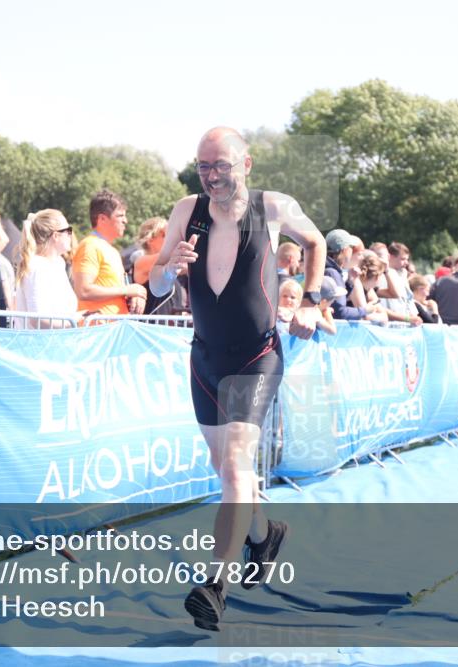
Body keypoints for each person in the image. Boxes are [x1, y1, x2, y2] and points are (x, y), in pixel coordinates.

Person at [148, 127, 325, 631]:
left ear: (244, 164)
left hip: (257, 354)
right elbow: (156, 278)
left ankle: (215, 585)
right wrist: (171, 267)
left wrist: (311, 302)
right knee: (225, 468)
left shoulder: (272, 208)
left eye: (221, 165)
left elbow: (314, 242)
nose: (212, 176)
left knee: (234, 465)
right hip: (204, 357)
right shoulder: (188, 211)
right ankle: (264, 534)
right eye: (204, 167)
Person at [72, 189, 147, 316]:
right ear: (102, 219)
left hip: (113, 329)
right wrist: (127, 290)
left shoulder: (112, 251)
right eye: (120, 216)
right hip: (98, 331)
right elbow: (83, 291)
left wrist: (135, 296)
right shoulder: (89, 246)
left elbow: (117, 292)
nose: (125, 221)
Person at [14, 209, 80, 329]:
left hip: (55, 343)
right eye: (68, 231)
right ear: (55, 236)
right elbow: (37, 319)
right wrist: (73, 321)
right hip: (37, 345)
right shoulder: (37, 266)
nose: (71, 235)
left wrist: (77, 319)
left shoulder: (58, 264)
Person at [134, 217, 188, 316]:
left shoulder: (171, 265)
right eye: (164, 235)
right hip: (151, 328)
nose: (170, 239)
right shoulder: (141, 261)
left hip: (170, 328)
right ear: (150, 239)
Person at [323, 229, 371, 322]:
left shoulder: (327, 269)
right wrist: (365, 310)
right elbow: (339, 312)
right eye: (351, 248)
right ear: (345, 250)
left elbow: (335, 302)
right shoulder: (332, 273)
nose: (352, 251)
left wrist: (350, 282)